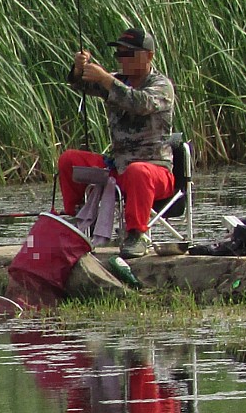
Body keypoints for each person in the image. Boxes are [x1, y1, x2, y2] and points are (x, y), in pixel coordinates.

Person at [58, 26, 175, 259]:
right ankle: (76, 220)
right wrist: (79, 68)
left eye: (129, 54)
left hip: (155, 170)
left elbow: (140, 103)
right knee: (69, 159)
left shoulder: (161, 85)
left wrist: (106, 79)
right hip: (117, 166)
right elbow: (81, 84)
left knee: (138, 171)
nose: (123, 59)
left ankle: (137, 234)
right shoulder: (117, 81)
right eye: (119, 54)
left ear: (149, 56)